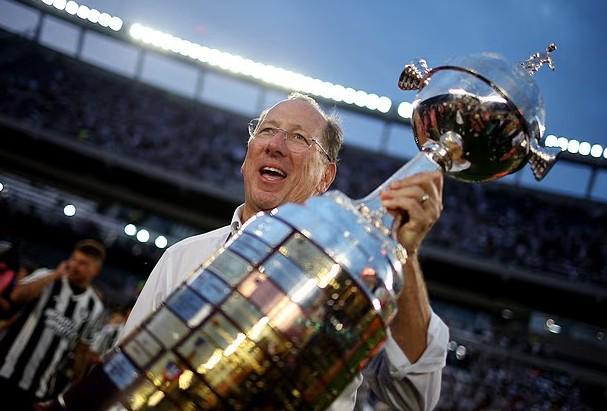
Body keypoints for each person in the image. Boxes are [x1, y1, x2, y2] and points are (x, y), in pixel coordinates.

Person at [122, 92, 449, 410]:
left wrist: (406, 252)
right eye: (266, 130)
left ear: (325, 176)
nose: (274, 145)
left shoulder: (354, 280)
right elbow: (122, 382)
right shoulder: (181, 258)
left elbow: (415, 396)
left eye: (298, 137)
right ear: (247, 157)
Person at [0, 239, 106, 411]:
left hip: (38, 388)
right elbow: (16, 296)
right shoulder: (46, 277)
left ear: (95, 270)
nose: (74, 266)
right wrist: (55, 275)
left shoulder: (94, 307)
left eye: (82, 263)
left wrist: (74, 386)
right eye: (73, 259)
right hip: (4, 369)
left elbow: (81, 350)